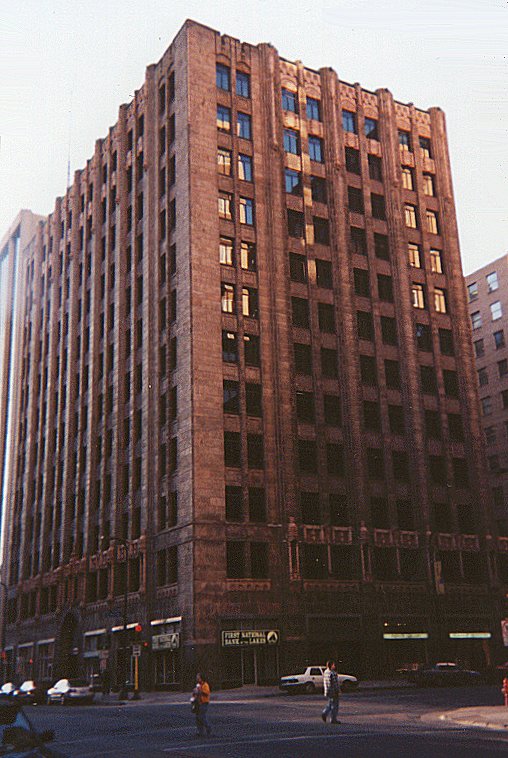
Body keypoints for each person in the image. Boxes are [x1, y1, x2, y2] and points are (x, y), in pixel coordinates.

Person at [321, 660, 340, 724]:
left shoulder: (326, 672)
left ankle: (324, 713)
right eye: (333, 665)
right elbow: (335, 683)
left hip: (327, 690)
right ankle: (333, 719)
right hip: (333, 691)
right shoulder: (333, 673)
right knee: (335, 705)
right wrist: (338, 690)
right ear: (331, 665)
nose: (334, 666)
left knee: (330, 703)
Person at [193, 672, 212, 737]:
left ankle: (208, 728)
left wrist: (200, 690)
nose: (197, 679)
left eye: (198, 678)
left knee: (202, 716)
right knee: (197, 718)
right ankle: (200, 732)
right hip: (198, 702)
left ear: (201, 678)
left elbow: (207, 693)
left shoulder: (205, 685)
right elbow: (196, 693)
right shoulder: (198, 685)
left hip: (204, 702)